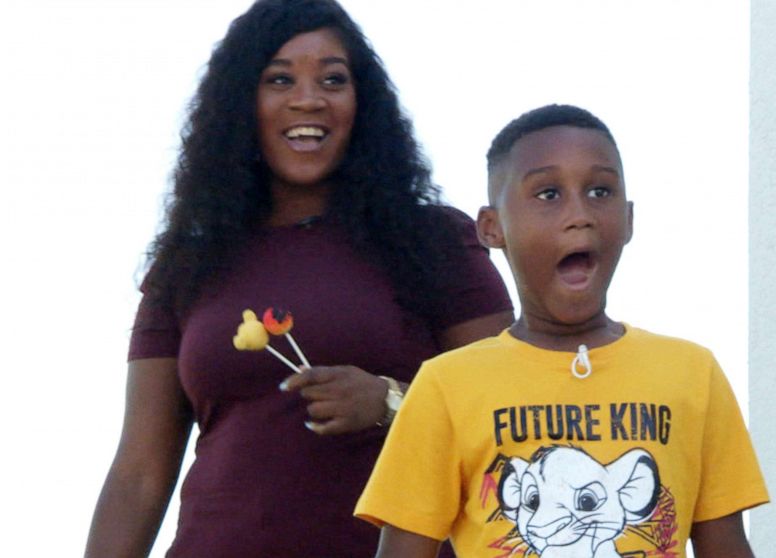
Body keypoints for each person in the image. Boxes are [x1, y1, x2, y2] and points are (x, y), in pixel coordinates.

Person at [85, 0, 513, 556]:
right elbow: (139, 473)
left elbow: (510, 418)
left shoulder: (433, 240)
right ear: (243, 103)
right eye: (279, 79)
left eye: (332, 79)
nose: (308, 99)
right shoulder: (188, 265)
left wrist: (390, 404)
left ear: (362, 103)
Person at [355, 104, 769, 557]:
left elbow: (727, 546)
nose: (580, 214)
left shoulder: (693, 374)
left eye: (599, 191)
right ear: (492, 229)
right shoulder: (445, 386)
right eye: (549, 194)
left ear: (629, 218)